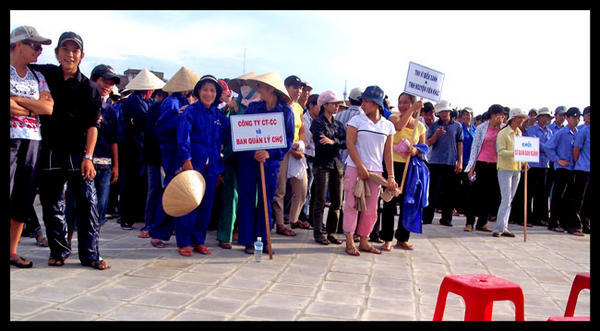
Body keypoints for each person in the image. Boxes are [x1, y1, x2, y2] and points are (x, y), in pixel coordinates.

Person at [29, 31, 109, 269]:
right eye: (65, 49)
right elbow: (22, 62)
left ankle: (91, 254)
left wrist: (89, 157)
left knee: (88, 203)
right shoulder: (44, 74)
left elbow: (93, 125)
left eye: (75, 51)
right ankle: (58, 250)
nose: (70, 54)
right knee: (52, 202)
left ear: (82, 56)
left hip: (79, 152)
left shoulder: (90, 88)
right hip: (50, 149)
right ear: (57, 53)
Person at [235, 72, 295, 255]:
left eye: (261, 87)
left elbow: (288, 140)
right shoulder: (253, 108)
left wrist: (269, 153)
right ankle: (247, 240)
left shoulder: (285, 112)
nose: (258, 90)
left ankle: (262, 240)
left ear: (270, 90)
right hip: (249, 162)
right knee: (246, 199)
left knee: (265, 201)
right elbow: (243, 134)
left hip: (270, 164)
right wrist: (255, 152)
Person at [10, 25, 54, 268]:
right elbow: (39, 106)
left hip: (32, 139)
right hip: (11, 138)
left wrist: (16, 101)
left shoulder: (38, 77)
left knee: (23, 196)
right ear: (18, 44)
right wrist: (32, 106)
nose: (38, 51)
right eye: (34, 45)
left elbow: (48, 108)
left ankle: (12, 250)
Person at [64, 64, 120, 244]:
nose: (107, 86)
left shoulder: (111, 110)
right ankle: (65, 244)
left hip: (103, 165)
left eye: (111, 83)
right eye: (104, 80)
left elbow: (114, 140)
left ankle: (91, 246)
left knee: (99, 208)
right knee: (73, 205)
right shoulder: (81, 102)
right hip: (82, 162)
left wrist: (116, 165)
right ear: (94, 80)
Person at [176, 75, 230, 256]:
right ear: (198, 91)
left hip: (212, 166)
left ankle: (198, 240)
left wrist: (235, 109)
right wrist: (186, 160)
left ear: (217, 94)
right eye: (205, 89)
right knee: (190, 202)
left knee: (206, 204)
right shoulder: (189, 112)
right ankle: (183, 242)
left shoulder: (219, 116)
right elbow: (183, 137)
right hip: (193, 163)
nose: (208, 93)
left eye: (212, 90)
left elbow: (231, 133)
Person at [149, 66, 200, 250]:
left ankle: (166, 230)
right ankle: (157, 232)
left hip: (181, 152)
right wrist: (180, 116)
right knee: (171, 191)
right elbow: (161, 127)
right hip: (172, 153)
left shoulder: (186, 101)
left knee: (179, 192)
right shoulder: (172, 102)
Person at [342, 85, 397, 256]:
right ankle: (350, 240)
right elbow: (350, 144)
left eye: (366, 101)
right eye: (362, 101)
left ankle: (364, 239)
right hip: (354, 168)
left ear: (377, 103)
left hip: (376, 172)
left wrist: (391, 175)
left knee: (371, 208)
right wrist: (360, 167)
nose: (363, 104)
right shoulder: (356, 120)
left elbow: (388, 152)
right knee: (351, 204)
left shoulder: (387, 125)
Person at [216, 72, 258, 249]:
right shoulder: (233, 105)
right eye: (241, 83)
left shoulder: (260, 106)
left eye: (247, 82)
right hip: (233, 154)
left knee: (251, 196)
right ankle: (225, 234)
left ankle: (245, 232)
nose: (244, 85)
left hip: (252, 157)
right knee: (230, 194)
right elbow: (224, 130)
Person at [119, 69, 165, 230]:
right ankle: (126, 217)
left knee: (139, 183)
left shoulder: (146, 101)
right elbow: (144, 120)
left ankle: (135, 214)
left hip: (140, 144)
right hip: (131, 145)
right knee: (129, 182)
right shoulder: (134, 100)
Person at [380, 92, 425, 251]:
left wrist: (415, 150)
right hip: (392, 166)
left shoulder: (420, 125)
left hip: (410, 168)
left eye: (406, 102)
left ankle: (402, 238)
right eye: (401, 102)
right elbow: (397, 128)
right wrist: (411, 110)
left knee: (408, 203)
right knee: (389, 203)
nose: (402, 105)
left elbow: (423, 148)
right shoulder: (393, 118)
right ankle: (386, 238)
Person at [272, 75, 310, 236]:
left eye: (300, 88)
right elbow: (274, 132)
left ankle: (293, 219)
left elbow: (302, 131)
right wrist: (291, 150)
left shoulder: (298, 108)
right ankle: (280, 223)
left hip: (297, 151)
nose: (298, 91)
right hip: (282, 151)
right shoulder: (278, 106)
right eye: (295, 87)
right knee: (280, 190)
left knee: (302, 188)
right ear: (286, 88)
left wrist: (300, 145)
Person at [309, 90, 346, 245]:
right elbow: (321, 143)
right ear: (325, 105)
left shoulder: (338, 124)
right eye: (333, 104)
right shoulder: (317, 123)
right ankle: (318, 232)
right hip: (322, 164)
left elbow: (346, 143)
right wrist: (335, 142)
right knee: (320, 199)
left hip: (337, 165)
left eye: (338, 104)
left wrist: (333, 142)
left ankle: (331, 231)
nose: (337, 107)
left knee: (337, 201)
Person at [465, 105, 506, 232]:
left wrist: (499, 129)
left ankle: (482, 222)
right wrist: (471, 166)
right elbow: (475, 147)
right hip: (482, 163)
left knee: (490, 195)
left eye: (501, 115)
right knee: (475, 194)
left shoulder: (504, 129)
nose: (499, 118)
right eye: (496, 115)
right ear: (491, 116)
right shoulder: (481, 128)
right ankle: (469, 222)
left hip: (496, 165)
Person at [543, 107, 584, 236]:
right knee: (557, 195)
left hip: (573, 168)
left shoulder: (577, 132)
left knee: (568, 197)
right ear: (567, 118)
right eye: (573, 117)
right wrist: (557, 160)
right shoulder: (561, 132)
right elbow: (548, 146)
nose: (576, 120)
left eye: (578, 118)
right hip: (562, 168)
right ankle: (554, 223)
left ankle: (565, 221)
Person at [422, 100, 463, 226]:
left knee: (449, 191)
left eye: (446, 111)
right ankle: (427, 217)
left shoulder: (457, 126)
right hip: (435, 161)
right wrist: (436, 135)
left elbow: (459, 143)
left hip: (450, 162)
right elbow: (428, 143)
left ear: (450, 112)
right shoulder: (434, 126)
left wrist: (460, 161)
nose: (444, 114)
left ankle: (446, 218)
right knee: (432, 190)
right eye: (441, 112)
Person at [492, 108, 528, 238]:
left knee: (509, 200)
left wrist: (524, 162)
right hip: (505, 169)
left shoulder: (519, 133)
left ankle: (504, 226)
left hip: (516, 169)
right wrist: (516, 154)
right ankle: (499, 227)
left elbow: (522, 151)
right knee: (506, 199)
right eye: (519, 118)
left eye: (522, 119)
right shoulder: (503, 134)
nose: (521, 121)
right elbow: (501, 151)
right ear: (513, 119)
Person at [138, 88, 169, 238]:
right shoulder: (158, 106)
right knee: (155, 189)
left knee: (165, 191)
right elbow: (152, 133)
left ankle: (161, 224)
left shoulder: (180, 104)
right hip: (156, 155)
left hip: (167, 156)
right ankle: (149, 224)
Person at [524, 107, 553, 226]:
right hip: (533, 164)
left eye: (547, 117)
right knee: (530, 192)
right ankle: (528, 217)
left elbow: (550, 146)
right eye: (543, 116)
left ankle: (539, 217)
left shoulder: (549, 132)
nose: (545, 119)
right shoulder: (531, 130)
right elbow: (534, 144)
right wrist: (545, 147)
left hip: (545, 164)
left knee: (542, 193)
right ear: (539, 117)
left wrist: (545, 147)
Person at [299, 94, 320, 225]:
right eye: (319, 105)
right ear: (311, 105)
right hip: (306, 156)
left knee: (312, 189)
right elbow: (306, 140)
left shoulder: (316, 120)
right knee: (305, 189)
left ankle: (306, 215)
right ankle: (303, 215)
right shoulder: (305, 119)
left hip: (314, 157)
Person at [456, 107, 477, 228]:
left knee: (471, 192)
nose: (466, 116)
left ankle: (470, 221)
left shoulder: (475, 129)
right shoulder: (460, 128)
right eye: (464, 114)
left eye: (468, 114)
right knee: (462, 190)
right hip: (461, 162)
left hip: (472, 163)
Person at [573, 106, 590, 233]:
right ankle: (576, 224)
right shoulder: (583, 130)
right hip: (582, 169)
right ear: (584, 117)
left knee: (589, 199)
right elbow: (576, 150)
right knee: (579, 198)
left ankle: (586, 223)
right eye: (588, 114)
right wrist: (578, 163)